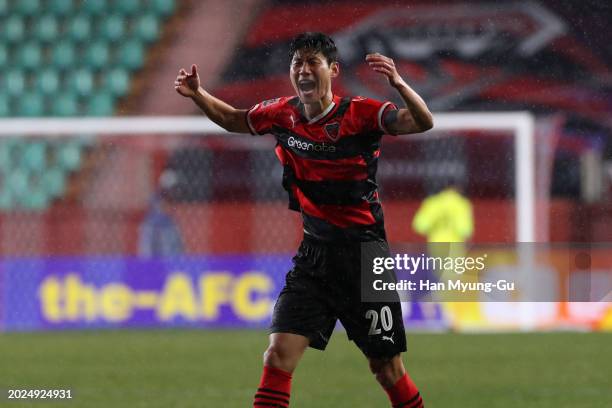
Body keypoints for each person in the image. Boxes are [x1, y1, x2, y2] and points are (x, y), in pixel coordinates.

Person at [175, 32, 433, 408]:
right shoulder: (281, 113)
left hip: (366, 259)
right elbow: (235, 119)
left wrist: (399, 83)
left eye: (313, 62)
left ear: (333, 70)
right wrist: (199, 94)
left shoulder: (360, 113)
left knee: (386, 368)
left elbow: (421, 122)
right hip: (314, 258)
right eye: (297, 63)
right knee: (278, 356)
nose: (304, 70)